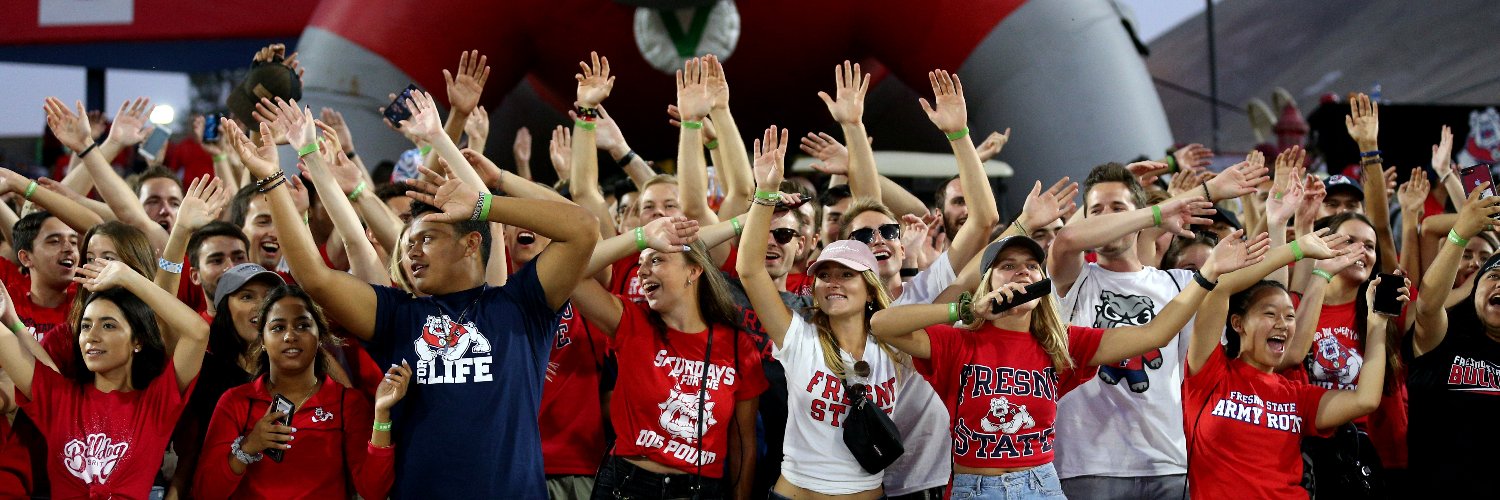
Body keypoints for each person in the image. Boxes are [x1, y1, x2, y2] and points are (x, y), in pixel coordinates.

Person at [224, 92, 598, 498]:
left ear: (471, 244)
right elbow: (314, 277)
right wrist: (272, 178)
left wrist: (485, 203)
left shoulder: (521, 305)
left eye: (428, 238)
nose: (412, 251)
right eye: (409, 243)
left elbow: (583, 227)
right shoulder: (398, 316)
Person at [870, 230, 1262, 499]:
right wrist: (967, 307)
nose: (1021, 271)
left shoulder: (1064, 344)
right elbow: (881, 324)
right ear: (988, 282)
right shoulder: (956, 343)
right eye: (1007, 266)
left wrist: (1208, 274)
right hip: (976, 487)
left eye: (1030, 266)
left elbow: (1153, 335)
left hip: (1042, 484)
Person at [737, 124, 932, 499]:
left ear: (870, 287)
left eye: (846, 274)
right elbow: (749, 270)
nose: (833, 282)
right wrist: (764, 192)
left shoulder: (896, 345)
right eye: (824, 275)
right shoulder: (797, 336)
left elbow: (954, 283)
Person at [1046, 161, 1230, 498]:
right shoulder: (1072, 279)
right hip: (1088, 466)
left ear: (1138, 214)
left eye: (1118, 208)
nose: (1108, 218)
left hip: (1168, 463)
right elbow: (1067, 238)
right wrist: (1181, 202)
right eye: (1097, 211)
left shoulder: (1180, 283)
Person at [1183, 230, 1397, 499]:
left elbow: (1365, 400)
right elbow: (1220, 288)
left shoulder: (1298, 395)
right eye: (1270, 314)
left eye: (1289, 316)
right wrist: (1297, 249)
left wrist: (1378, 324)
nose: (1282, 324)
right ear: (1238, 323)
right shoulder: (1209, 372)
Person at [0, 258, 208, 498]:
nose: (92, 336)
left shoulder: (156, 403)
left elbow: (198, 332)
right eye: (86, 326)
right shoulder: (58, 398)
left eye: (108, 326)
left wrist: (126, 277)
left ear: (138, 340)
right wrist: (10, 319)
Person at [194, 285, 410, 499]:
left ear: (320, 337)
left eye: (303, 325)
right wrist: (248, 446)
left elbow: (374, 491)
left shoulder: (348, 403)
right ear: (262, 341)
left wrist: (381, 414)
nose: (290, 336)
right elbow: (206, 492)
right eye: (278, 327)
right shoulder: (235, 401)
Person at [1407, 186, 1500, 495]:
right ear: (1473, 292)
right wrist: (1460, 233)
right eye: (1493, 276)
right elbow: (1427, 305)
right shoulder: (1446, 340)